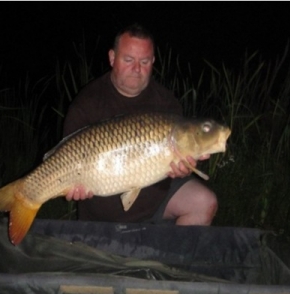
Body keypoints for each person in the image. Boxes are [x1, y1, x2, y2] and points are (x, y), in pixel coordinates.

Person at [62, 23, 218, 225]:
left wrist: (184, 168)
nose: (137, 69)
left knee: (204, 202)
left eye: (144, 61)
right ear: (112, 58)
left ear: (153, 61)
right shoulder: (86, 104)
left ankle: (172, 255)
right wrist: (74, 187)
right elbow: (66, 161)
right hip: (103, 212)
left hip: (155, 200)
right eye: (128, 60)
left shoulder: (166, 102)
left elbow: (180, 156)